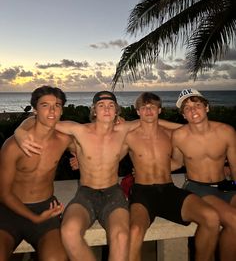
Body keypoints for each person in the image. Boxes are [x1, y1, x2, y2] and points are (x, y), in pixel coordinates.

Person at [15, 90, 181, 261]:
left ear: (117, 111)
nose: (107, 109)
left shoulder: (123, 130)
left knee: (122, 236)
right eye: (101, 106)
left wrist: (187, 127)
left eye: (111, 106)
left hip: (113, 194)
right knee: (69, 231)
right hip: (86, 193)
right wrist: (20, 132)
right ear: (94, 110)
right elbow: (43, 120)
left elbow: (152, 120)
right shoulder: (79, 130)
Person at [123, 92, 220, 261]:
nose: (148, 111)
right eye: (143, 108)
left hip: (169, 190)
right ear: (137, 111)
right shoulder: (129, 135)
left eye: (152, 107)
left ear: (159, 110)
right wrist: (81, 161)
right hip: (142, 193)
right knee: (134, 231)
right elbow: (107, 154)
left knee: (211, 217)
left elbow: (178, 161)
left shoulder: (171, 135)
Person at [0, 86, 76, 261]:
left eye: (57, 105)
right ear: (35, 109)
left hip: (46, 208)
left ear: (62, 110)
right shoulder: (13, 146)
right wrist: (34, 218)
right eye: (45, 105)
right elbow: (3, 194)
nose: (52, 110)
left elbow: (91, 147)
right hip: (9, 210)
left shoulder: (64, 140)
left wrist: (79, 158)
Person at [172, 88, 236, 261]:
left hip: (225, 186)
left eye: (197, 105)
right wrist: (149, 167)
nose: (193, 110)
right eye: (187, 108)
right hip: (198, 188)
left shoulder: (226, 132)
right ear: (183, 115)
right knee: (234, 220)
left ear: (206, 107)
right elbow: (177, 162)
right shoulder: (179, 136)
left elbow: (234, 166)